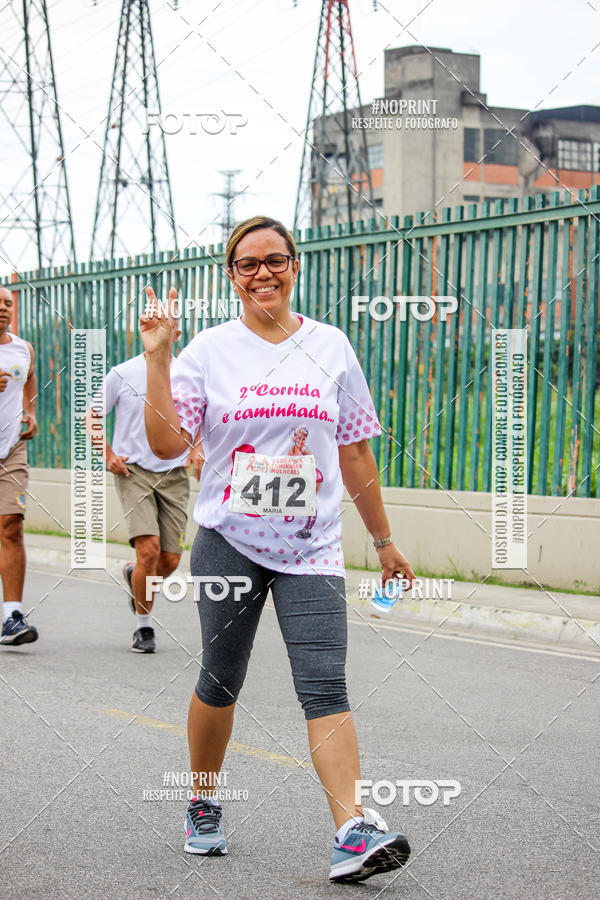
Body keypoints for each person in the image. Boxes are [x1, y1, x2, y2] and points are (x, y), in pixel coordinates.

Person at [140, 215, 416, 883]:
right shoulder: (209, 350)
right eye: (248, 263)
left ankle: (351, 830)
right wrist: (157, 356)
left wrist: (383, 542)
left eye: (275, 259)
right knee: (220, 676)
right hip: (229, 541)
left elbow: (353, 451)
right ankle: (204, 800)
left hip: (313, 545)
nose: (263, 271)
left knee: (324, 680)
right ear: (231, 276)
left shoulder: (331, 345)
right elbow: (167, 445)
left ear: (294, 265)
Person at [86, 315, 202, 653]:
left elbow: (203, 420)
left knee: (168, 562)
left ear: (178, 333)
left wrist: (197, 449)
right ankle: (143, 627)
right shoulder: (122, 373)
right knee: (149, 551)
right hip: (133, 472)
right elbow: (92, 414)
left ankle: (134, 575)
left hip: (174, 476)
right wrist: (107, 453)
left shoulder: (188, 375)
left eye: (171, 325)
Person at [0, 285, 38, 645]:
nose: (3, 309)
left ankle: (11, 615)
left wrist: (30, 411)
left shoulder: (22, 348)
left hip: (11, 449)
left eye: (8, 303)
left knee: (11, 525)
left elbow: (28, 380)